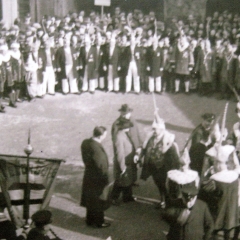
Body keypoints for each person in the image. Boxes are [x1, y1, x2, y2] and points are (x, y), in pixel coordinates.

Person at [136, 110, 180, 208]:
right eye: (153, 129)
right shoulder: (151, 138)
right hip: (152, 166)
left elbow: (174, 155)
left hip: (163, 167)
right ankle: (163, 200)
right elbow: (144, 147)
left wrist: (176, 167)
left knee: (165, 185)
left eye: (155, 129)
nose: (153, 131)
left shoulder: (168, 140)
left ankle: (167, 202)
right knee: (159, 184)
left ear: (161, 129)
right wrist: (139, 156)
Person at [80, 126, 110, 228]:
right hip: (98, 178)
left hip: (89, 175)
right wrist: (106, 178)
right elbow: (101, 165)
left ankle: (90, 220)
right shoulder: (97, 149)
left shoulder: (85, 142)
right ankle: (99, 222)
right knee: (99, 200)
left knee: (90, 200)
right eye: (105, 135)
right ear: (101, 136)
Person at [111, 118, 137, 204]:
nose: (129, 128)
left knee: (127, 181)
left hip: (128, 162)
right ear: (124, 128)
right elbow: (120, 154)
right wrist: (123, 168)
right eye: (128, 127)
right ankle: (113, 199)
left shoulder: (124, 134)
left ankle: (127, 197)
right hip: (123, 163)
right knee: (120, 183)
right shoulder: (119, 137)